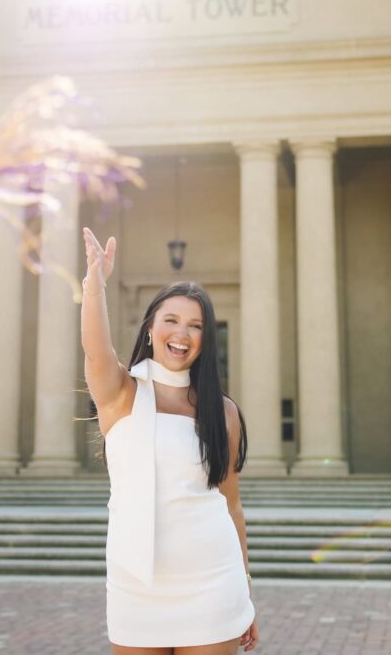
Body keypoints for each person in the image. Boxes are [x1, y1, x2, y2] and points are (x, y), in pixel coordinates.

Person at [81, 227, 261, 654]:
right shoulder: (121, 393)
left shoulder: (223, 412)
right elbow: (95, 351)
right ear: (150, 330)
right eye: (172, 321)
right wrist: (94, 287)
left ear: (205, 340)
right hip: (136, 586)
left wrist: (245, 590)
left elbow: (231, 506)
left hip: (213, 585)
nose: (182, 333)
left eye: (196, 326)